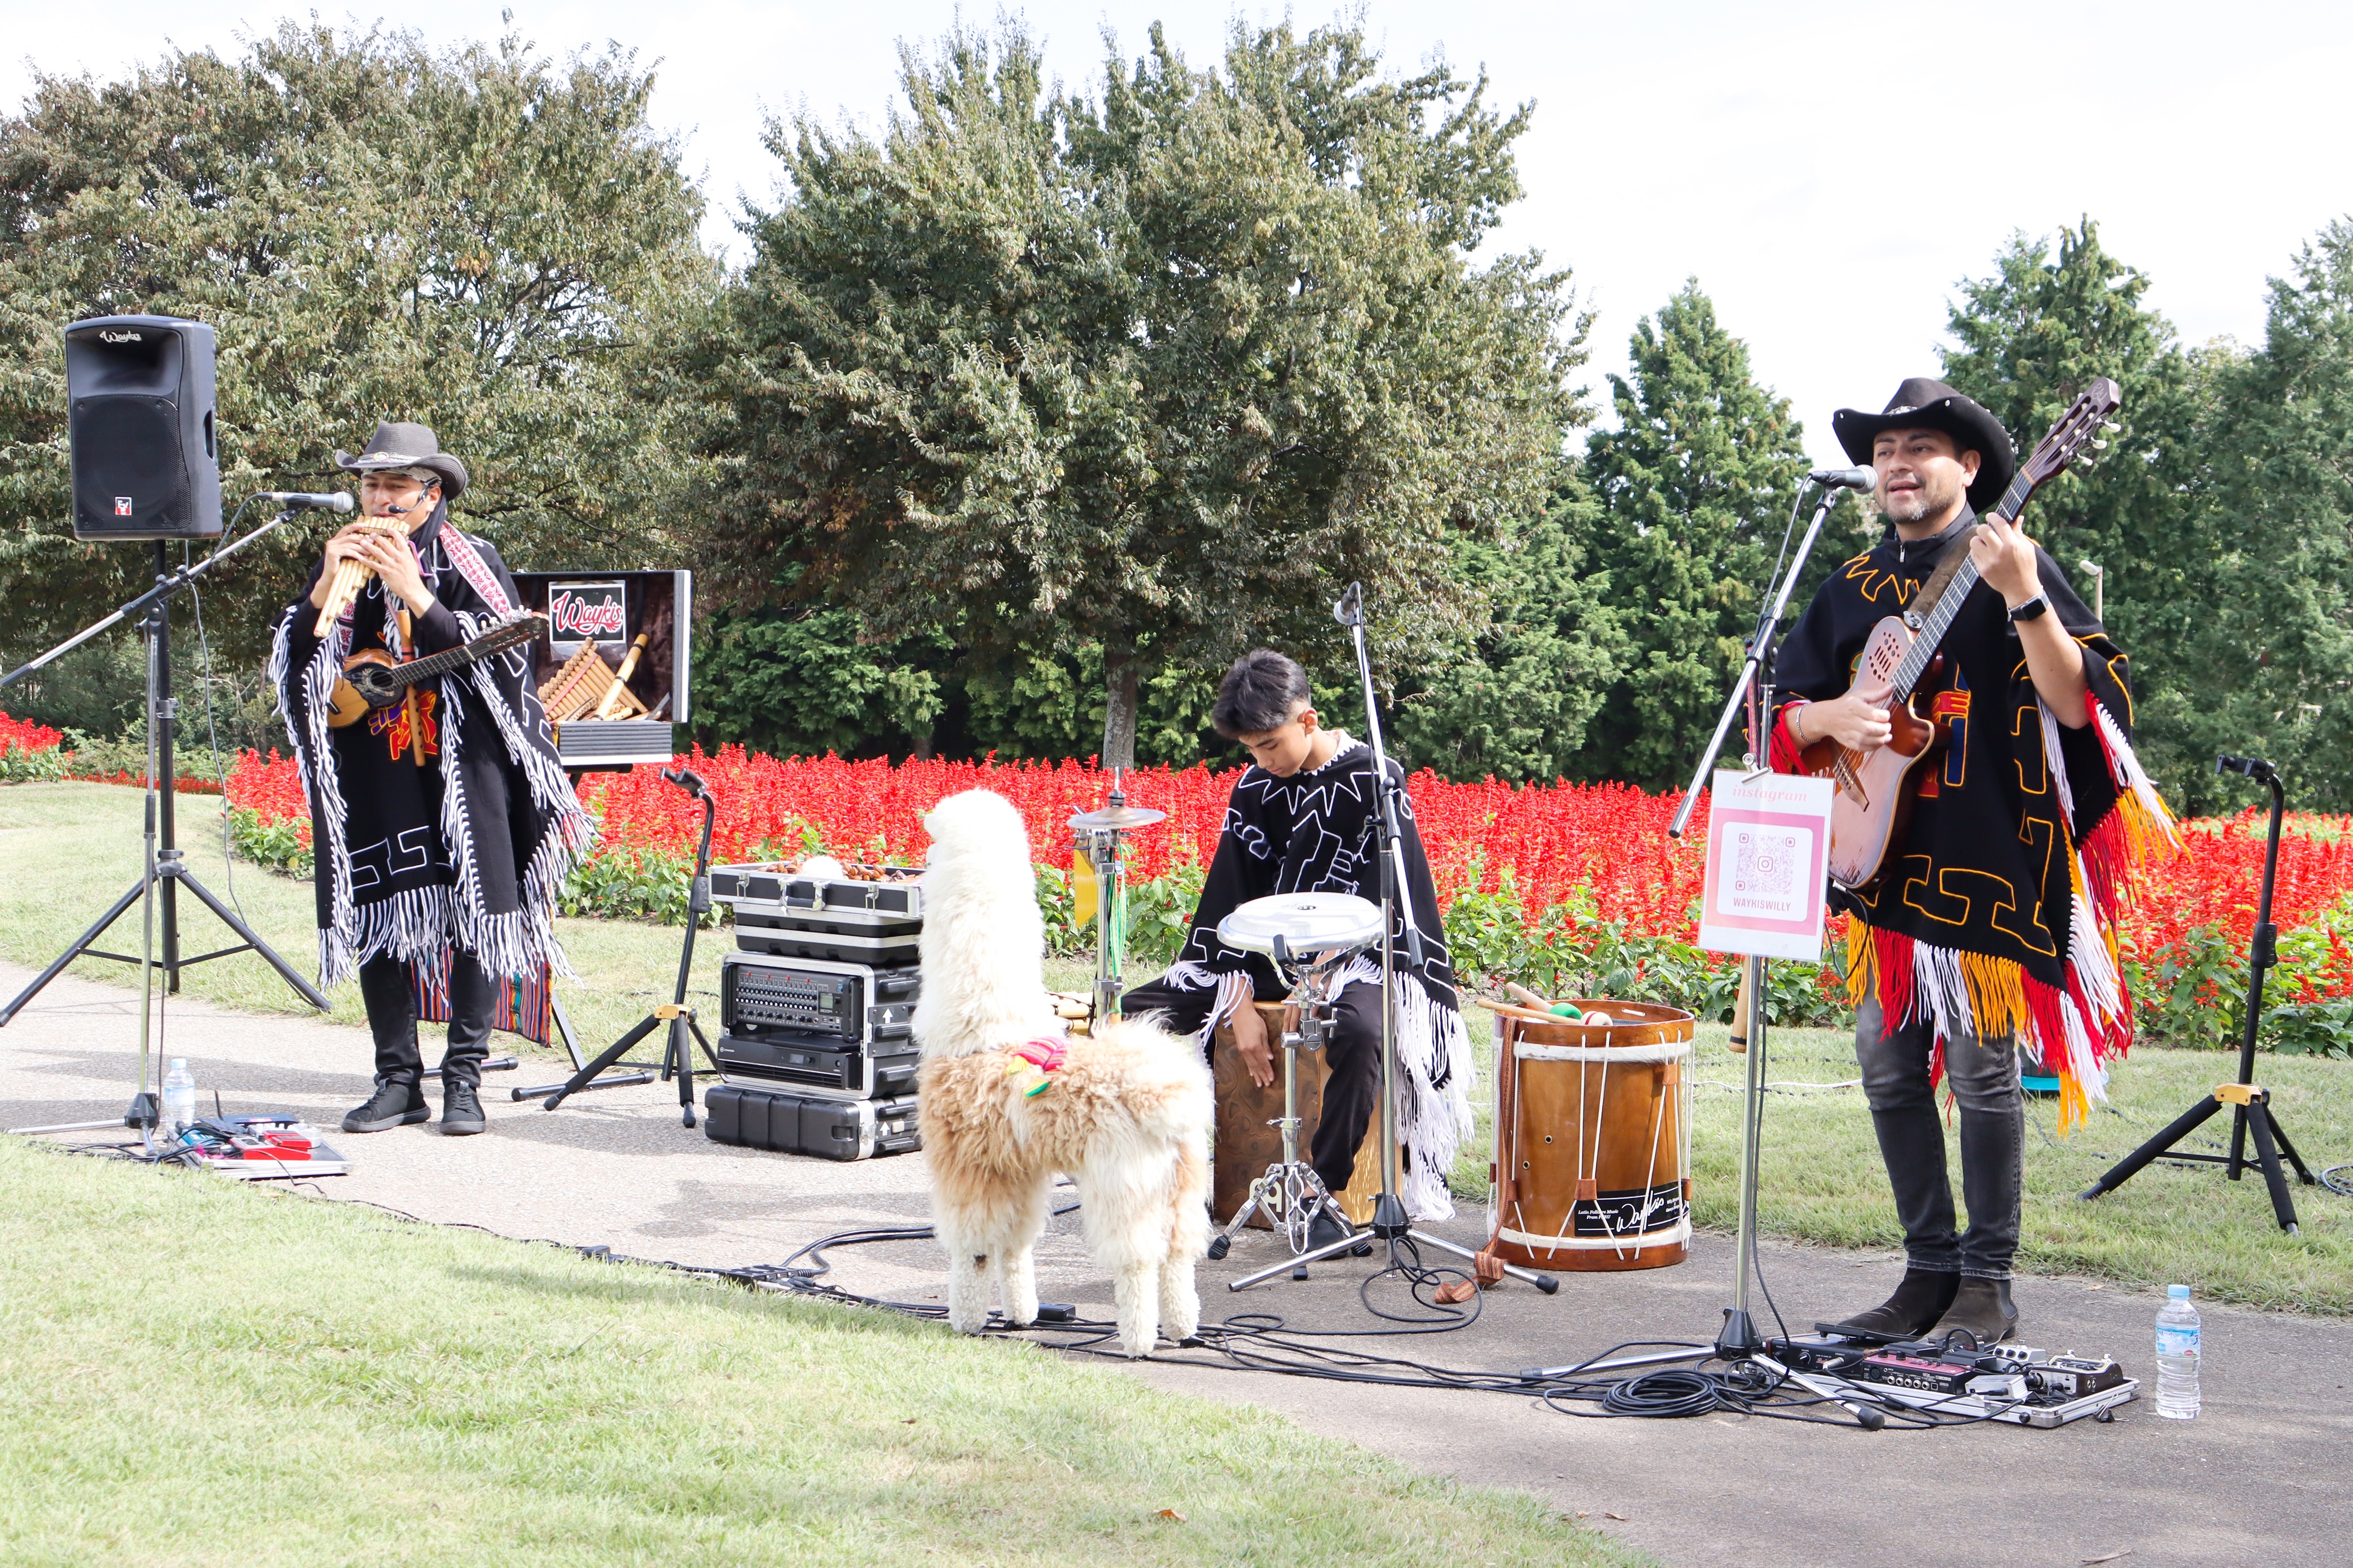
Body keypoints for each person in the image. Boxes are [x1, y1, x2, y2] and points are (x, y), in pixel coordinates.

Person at [1771, 379, 2174, 1347]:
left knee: (1988, 1074)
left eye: (1922, 448)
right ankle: (1926, 1271)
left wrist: (2025, 595)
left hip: (1990, 862)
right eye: (1885, 451)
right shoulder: (1851, 590)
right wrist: (1832, 718)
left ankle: (1986, 1284)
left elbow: (2085, 709)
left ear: (1974, 468)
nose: (1898, 465)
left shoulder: (2011, 563)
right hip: (1884, 868)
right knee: (1886, 1066)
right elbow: (1785, 714)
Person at [266, 422, 594, 1137]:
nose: (380, 499)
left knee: (476, 912)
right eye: (370, 484)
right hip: (375, 769)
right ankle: (396, 1081)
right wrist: (325, 587)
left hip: (464, 768)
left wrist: (414, 591)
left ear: (431, 492)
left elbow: (508, 663)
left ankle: (464, 1081)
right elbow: (297, 663)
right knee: (382, 912)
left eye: (396, 485)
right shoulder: (341, 564)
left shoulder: (472, 559)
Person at [1121, 650, 1475, 1243]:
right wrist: (1236, 1002)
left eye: (1268, 744)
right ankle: (1155, 1181)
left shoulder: (1376, 779)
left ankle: (1323, 1191)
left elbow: (1387, 903)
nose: (1260, 760)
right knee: (1134, 1014)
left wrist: (1315, 984)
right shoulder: (1257, 786)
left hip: (1359, 957)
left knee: (1362, 1032)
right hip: (1263, 957)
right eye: (1250, 749)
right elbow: (1229, 901)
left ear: (1307, 720)